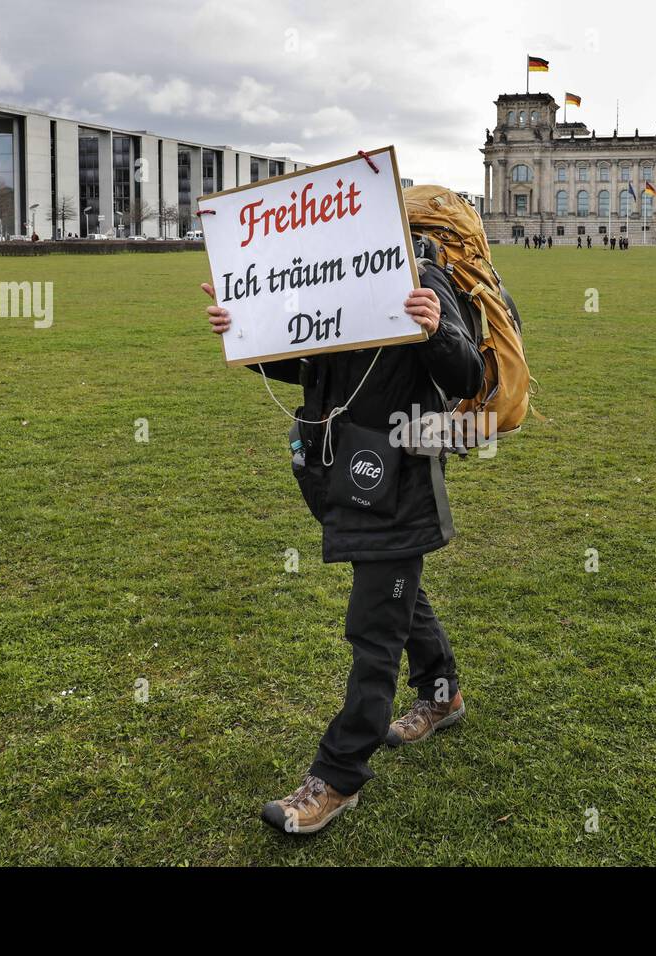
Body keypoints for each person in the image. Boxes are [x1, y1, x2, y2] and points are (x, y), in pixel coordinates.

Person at [201, 257, 483, 835]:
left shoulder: (420, 279)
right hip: (342, 474)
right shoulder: (335, 281)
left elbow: (467, 376)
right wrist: (246, 333)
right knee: (395, 593)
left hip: (399, 478)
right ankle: (443, 692)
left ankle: (336, 777)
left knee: (373, 629)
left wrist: (435, 331)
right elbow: (310, 369)